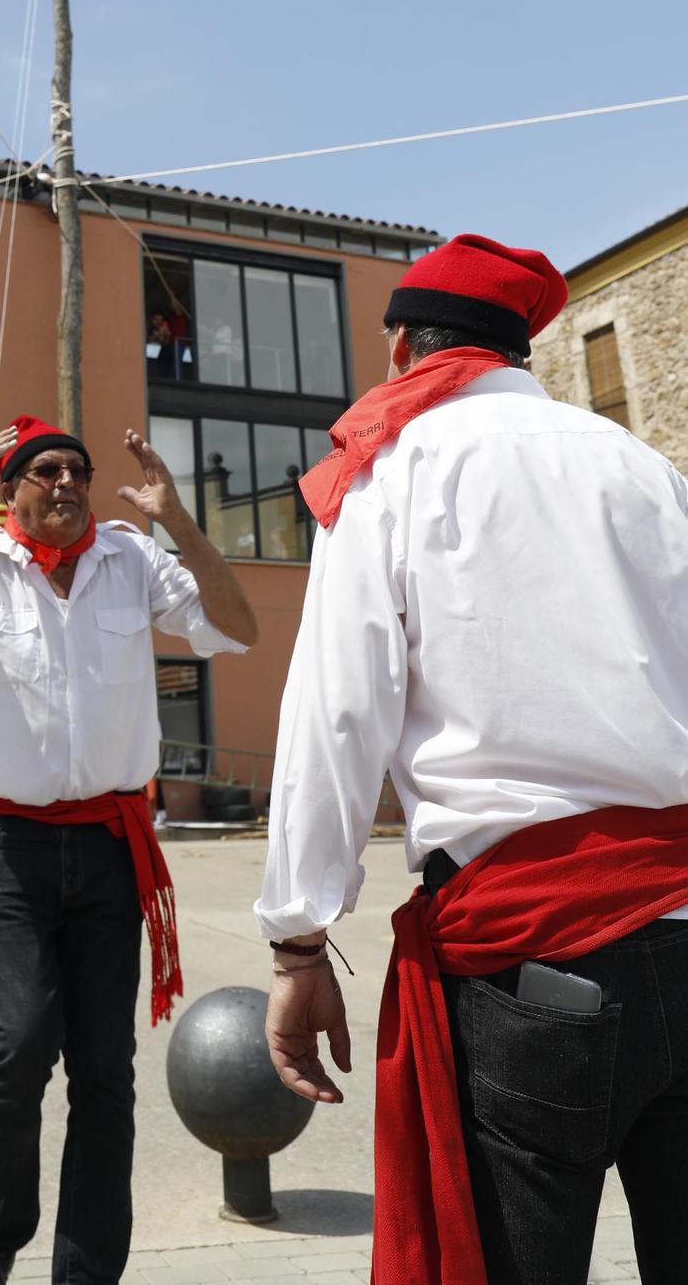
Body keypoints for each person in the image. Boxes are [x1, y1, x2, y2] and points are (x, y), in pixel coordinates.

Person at [256, 234, 688, 1285]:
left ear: (401, 344)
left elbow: (334, 712)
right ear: (519, 349)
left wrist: (297, 943)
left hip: (530, 951)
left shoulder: (393, 466)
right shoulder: (645, 470)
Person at [0, 413, 260, 1285]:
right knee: (18, 1047)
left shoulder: (132, 557)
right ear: (11, 487)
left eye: (77, 471)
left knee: (104, 1071)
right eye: (43, 470)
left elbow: (237, 628)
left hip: (107, 847)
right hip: (7, 850)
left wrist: (178, 522)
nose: (64, 482)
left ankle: (87, 1269)